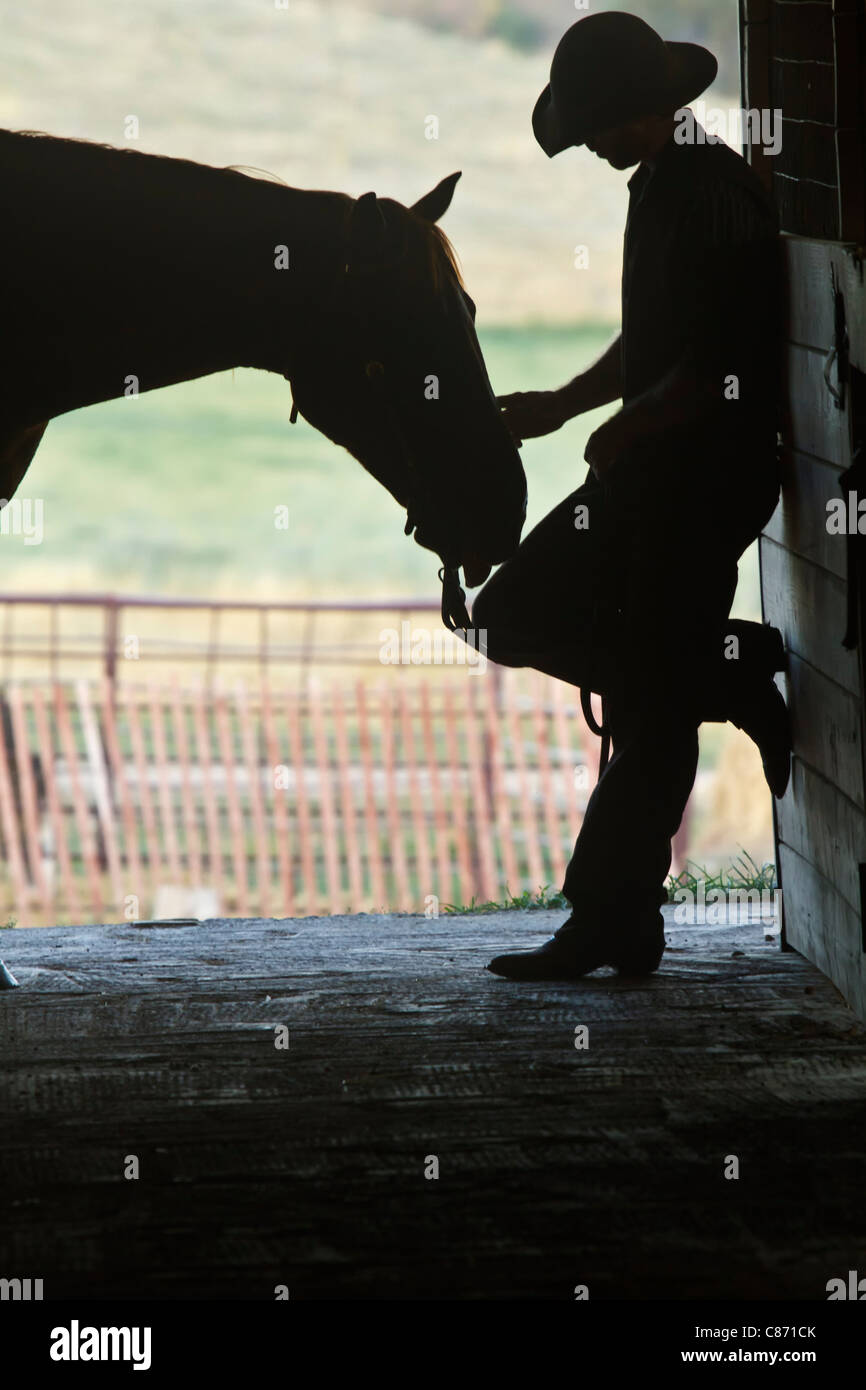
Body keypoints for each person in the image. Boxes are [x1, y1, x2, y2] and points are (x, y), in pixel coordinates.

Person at [473, 12, 790, 981]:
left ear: (653, 109)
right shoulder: (661, 181)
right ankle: (725, 666)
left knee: (642, 700)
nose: (596, 149)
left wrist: (621, 428)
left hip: (701, 480)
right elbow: (653, 344)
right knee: (521, 619)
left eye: (603, 127)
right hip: (656, 470)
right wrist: (568, 405)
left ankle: (613, 919)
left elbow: (713, 369)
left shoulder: (710, 197)